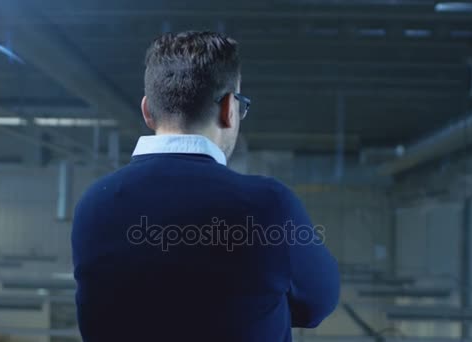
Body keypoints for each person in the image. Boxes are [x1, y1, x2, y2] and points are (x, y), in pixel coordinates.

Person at [71, 31, 339, 342]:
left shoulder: (93, 205)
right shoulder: (268, 205)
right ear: (229, 108)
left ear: (147, 111)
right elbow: (316, 306)